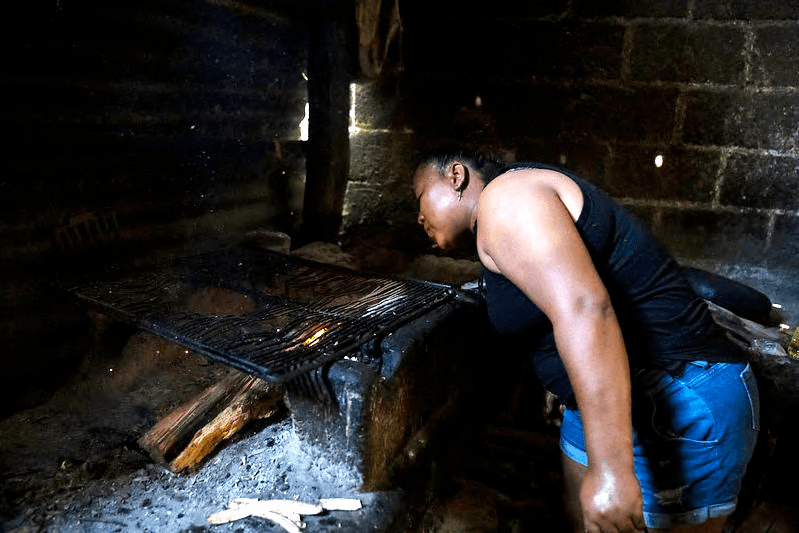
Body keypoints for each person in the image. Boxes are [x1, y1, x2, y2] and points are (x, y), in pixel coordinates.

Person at [412, 148, 760, 533]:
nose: (419, 218)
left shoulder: (507, 199)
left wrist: (612, 473)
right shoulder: (506, 214)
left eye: (420, 198)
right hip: (618, 401)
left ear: (456, 176)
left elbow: (585, 309)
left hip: (677, 394)